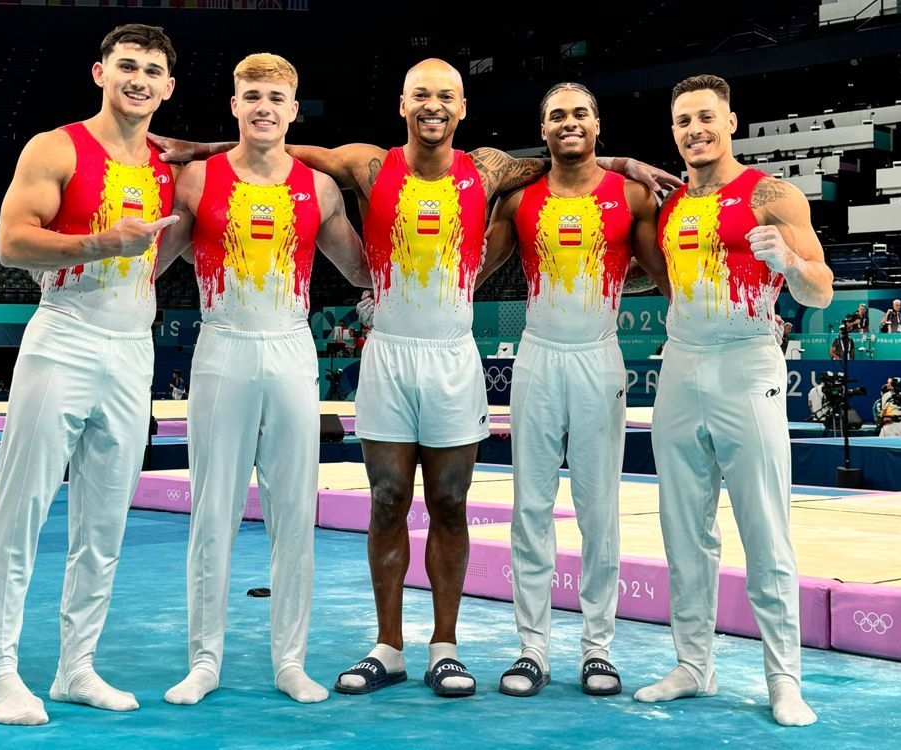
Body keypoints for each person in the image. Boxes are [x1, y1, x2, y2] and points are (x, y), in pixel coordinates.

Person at [155, 57, 680, 699]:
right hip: (389, 355)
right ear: (403, 104)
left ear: (462, 109)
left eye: (447, 96)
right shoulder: (364, 164)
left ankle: (446, 646)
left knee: (452, 502)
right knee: (386, 500)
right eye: (421, 95)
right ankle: (389, 646)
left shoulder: (488, 169)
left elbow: (568, 156)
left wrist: (622, 164)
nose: (434, 105)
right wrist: (205, 148)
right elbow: (274, 144)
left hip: (454, 356)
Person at [0, 24, 179, 726]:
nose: (139, 79)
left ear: (168, 87)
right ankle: (2, 672)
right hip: (63, 334)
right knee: (22, 511)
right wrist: (102, 242)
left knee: (103, 523)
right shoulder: (55, 146)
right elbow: (10, 243)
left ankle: (76, 667)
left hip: (132, 351)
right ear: (100, 72)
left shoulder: (167, 163)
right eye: (127, 65)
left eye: (152, 71)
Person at [160, 52, 370, 707]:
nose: (264, 107)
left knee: (292, 516)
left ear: (293, 109)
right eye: (252, 95)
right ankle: (204, 662)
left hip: (290, 353)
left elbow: (367, 270)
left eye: (276, 98)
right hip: (222, 348)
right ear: (233, 105)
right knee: (212, 513)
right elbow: (148, 264)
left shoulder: (322, 187)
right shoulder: (194, 181)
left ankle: (291, 660)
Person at [635, 74, 832, 727]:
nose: (696, 130)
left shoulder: (772, 194)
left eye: (707, 118)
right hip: (681, 365)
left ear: (732, 122)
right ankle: (694, 666)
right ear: (674, 132)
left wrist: (794, 265)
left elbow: (821, 291)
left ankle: (784, 680)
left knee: (764, 529)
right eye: (684, 120)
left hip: (748, 365)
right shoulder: (668, 208)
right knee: (684, 532)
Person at [477, 82, 671, 698]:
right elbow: (472, 272)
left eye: (580, 113)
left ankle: (597, 649)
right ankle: (532, 649)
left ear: (597, 123)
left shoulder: (632, 196)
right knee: (530, 507)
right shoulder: (519, 200)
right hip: (537, 357)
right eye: (556, 115)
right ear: (543, 128)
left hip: (598, 359)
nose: (569, 123)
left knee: (598, 510)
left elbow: (668, 278)